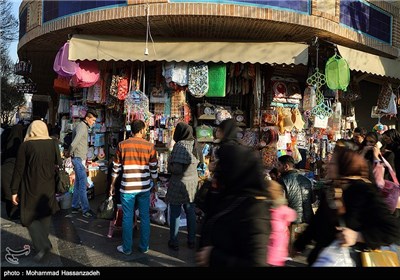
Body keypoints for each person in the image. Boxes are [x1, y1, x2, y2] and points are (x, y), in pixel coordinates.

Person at [293, 139, 400, 266]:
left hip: (349, 260)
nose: (327, 165)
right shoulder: (333, 189)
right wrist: (299, 245)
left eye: (333, 163)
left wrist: (358, 236)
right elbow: (317, 222)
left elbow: (393, 229)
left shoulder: (364, 191)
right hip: (324, 259)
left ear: (344, 166)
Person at [196, 142, 271, 267]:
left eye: (222, 166)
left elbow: (256, 263)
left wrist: (214, 257)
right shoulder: (229, 196)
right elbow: (203, 203)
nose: (218, 171)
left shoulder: (255, 210)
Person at [10, 120, 61, 262]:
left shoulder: (26, 145)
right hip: (49, 185)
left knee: (27, 217)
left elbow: (19, 170)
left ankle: (42, 245)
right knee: (44, 214)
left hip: (31, 186)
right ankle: (44, 243)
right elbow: (59, 163)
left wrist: (14, 190)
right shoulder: (53, 143)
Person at [109, 119, 158, 255]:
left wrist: (112, 184)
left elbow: (116, 168)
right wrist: (155, 184)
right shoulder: (150, 146)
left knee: (127, 217)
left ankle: (127, 248)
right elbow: (153, 169)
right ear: (142, 130)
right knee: (145, 217)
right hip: (144, 187)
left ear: (132, 130)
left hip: (128, 187)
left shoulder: (122, 145)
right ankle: (144, 247)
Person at [166, 122, 200, 250]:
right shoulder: (195, 144)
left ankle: (174, 241)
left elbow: (177, 169)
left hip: (179, 184)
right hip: (192, 183)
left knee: (175, 212)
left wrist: (169, 163)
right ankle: (191, 240)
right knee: (190, 211)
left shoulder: (180, 146)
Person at [66, 110, 98, 218]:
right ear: (88, 118)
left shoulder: (83, 127)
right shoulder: (82, 127)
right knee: (83, 184)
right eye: (93, 120)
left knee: (78, 184)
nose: (94, 122)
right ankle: (86, 210)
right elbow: (75, 142)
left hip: (79, 158)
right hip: (78, 158)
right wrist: (69, 153)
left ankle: (75, 206)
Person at [266, 179, 297, 266]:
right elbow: (292, 215)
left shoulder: (265, 209)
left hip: (269, 252)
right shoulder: (283, 209)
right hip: (279, 251)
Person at [1, 124, 24, 219]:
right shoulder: (21, 144)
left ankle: (10, 212)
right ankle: (15, 212)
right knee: (16, 190)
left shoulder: (6, 143)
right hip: (16, 169)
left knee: (7, 193)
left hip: (5, 169)